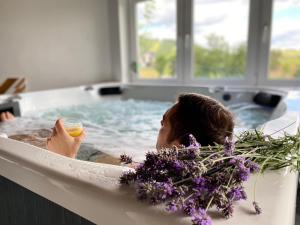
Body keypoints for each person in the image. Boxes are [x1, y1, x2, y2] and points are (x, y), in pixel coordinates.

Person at [46, 93, 234, 158]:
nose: (159, 126)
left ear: (179, 145)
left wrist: (64, 155)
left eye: (163, 123)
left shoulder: (150, 183)